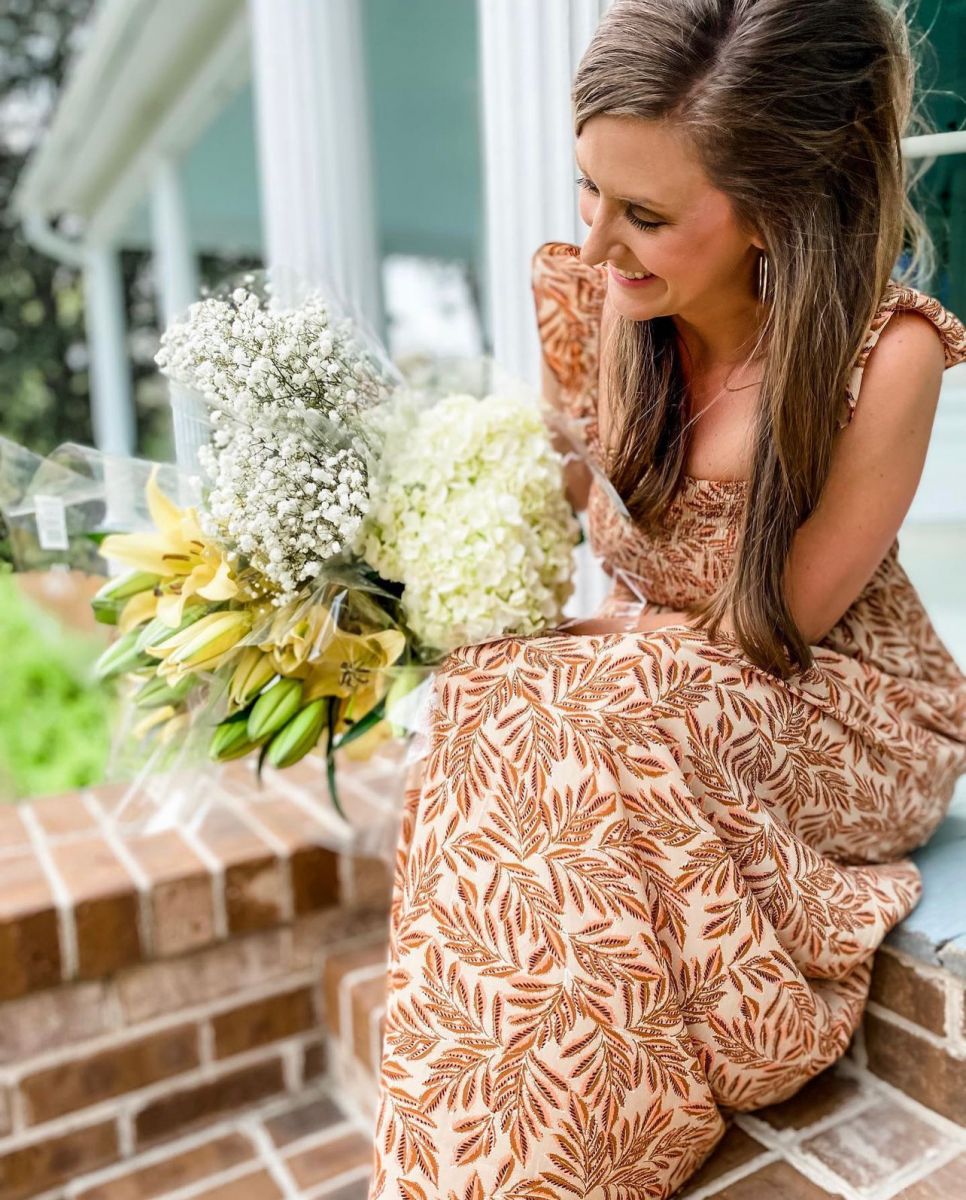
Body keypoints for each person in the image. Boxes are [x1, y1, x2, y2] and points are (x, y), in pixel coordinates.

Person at [367, 2, 966, 1196]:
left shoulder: (879, 357)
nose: (595, 244)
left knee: (572, 709)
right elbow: (539, 542)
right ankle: (468, 1163)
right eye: (586, 189)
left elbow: (771, 624)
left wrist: (592, 650)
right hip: (653, 694)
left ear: (777, 209)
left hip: (835, 707)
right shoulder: (594, 305)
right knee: (493, 697)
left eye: (644, 214)